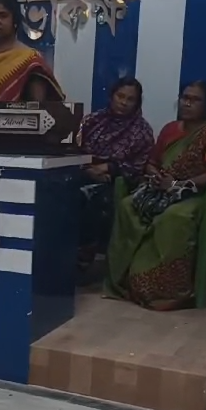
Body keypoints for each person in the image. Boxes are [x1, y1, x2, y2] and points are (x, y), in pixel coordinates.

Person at [104, 80, 206, 310]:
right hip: (161, 190)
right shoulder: (170, 129)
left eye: (195, 100)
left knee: (174, 217)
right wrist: (156, 176)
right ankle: (123, 281)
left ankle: (166, 290)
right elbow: (151, 163)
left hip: (195, 195)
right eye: (185, 98)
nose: (187, 103)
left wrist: (179, 185)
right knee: (127, 206)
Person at [76, 77, 154, 272]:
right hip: (82, 171)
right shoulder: (93, 121)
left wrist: (109, 168)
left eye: (130, 99)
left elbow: (138, 165)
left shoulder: (142, 130)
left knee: (94, 197)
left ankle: (84, 257)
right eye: (120, 96)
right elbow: (75, 150)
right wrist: (89, 169)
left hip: (116, 182)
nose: (124, 102)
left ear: (137, 103)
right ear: (112, 96)